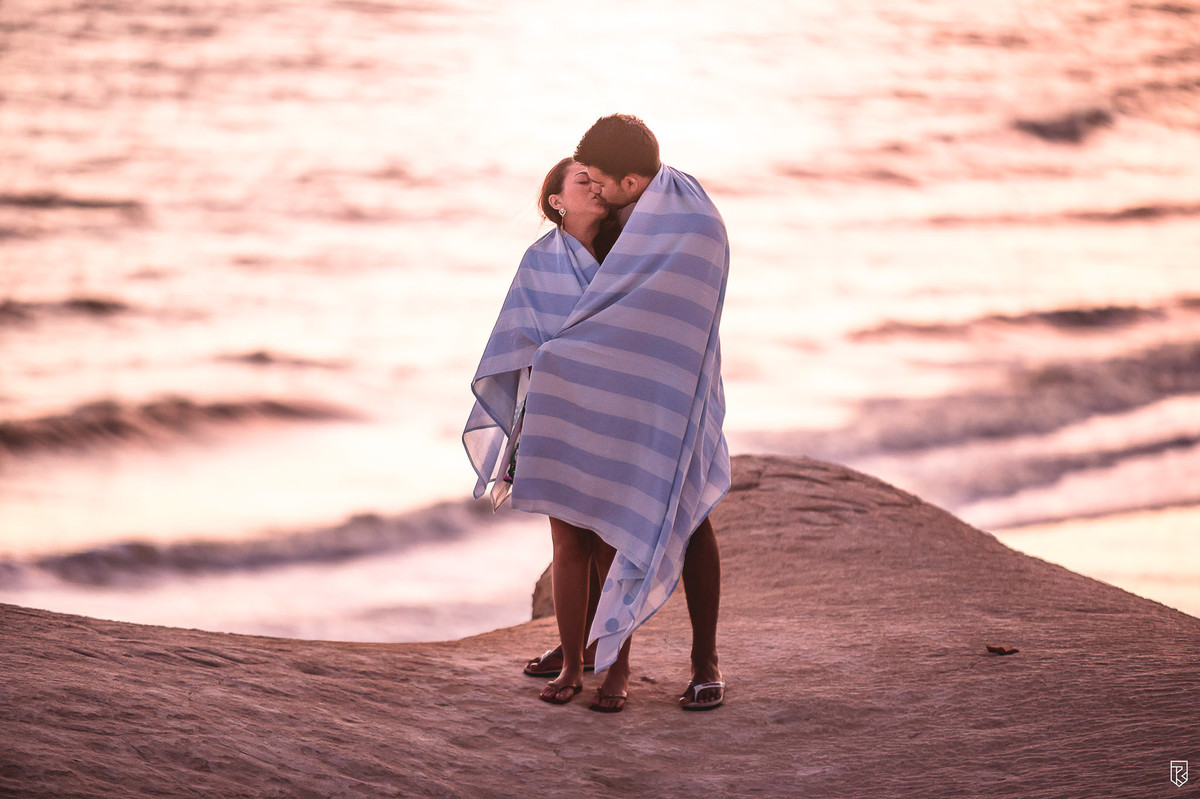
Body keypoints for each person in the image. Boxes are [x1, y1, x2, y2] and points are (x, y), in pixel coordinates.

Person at [464, 115, 730, 713]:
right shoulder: (580, 246)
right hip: (584, 410)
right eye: (581, 180)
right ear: (556, 201)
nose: (596, 189)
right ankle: (581, 648)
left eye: (599, 180)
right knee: (579, 528)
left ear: (629, 181)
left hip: (671, 390)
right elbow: (531, 333)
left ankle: (705, 662)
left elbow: (674, 310)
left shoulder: (684, 222)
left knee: (690, 518)